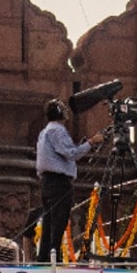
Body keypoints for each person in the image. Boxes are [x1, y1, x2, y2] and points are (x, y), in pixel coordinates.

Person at [35, 99, 94, 263]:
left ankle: (45, 257)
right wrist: (91, 143)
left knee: (49, 220)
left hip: (47, 182)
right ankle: (54, 256)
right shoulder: (57, 130)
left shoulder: (45, 131)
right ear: (60, 112)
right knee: (59, 220)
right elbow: (71, 153)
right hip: (59, 181)